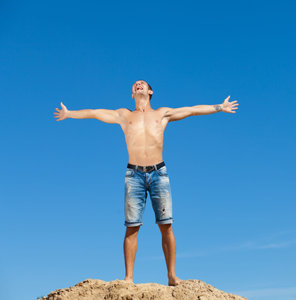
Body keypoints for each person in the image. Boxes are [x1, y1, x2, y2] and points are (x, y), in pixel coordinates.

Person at [54, 80, 239, 286]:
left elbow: (191, 110)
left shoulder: (162, 113)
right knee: (132, 227)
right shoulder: (124, 115)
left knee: (166, 225)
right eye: (135, 84)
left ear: (150, 91)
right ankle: (129, 278)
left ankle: (171, 276)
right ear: (132, 93)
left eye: (142, 83)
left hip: (159, 173)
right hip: (134, 175)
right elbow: (95, 112)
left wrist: (219, 107)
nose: (138, 84)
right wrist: (70, 113)